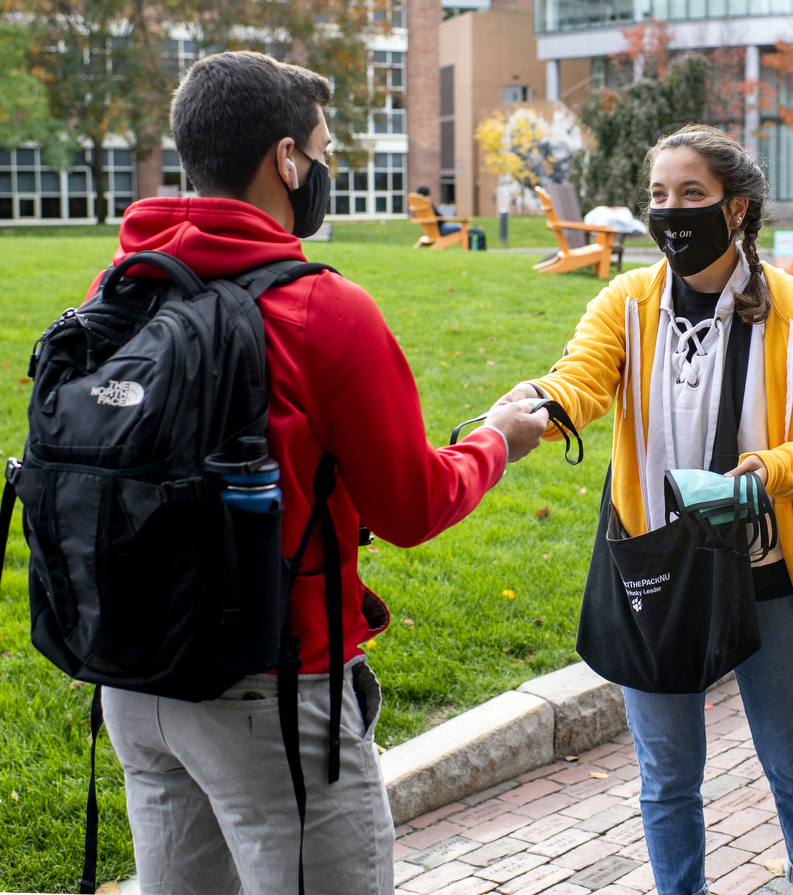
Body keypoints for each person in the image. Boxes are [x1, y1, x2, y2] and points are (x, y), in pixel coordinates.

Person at [97, 51, 549, 895]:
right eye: (324, 148)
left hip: (130, 673)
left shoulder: (123, 286)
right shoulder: (322, 309)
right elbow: (413, 505)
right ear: (286, 160)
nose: (326, 168)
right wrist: (496, 440)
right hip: (268, 685)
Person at [498, 125, 793, 895]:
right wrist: (542, 407)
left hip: (769, 577)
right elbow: (583, 376)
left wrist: (763, 475)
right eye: (659, 196)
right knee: (666, 778)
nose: (671, 212)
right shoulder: (628, 301)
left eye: (692, 195)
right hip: (658, 572)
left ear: (738, 209)